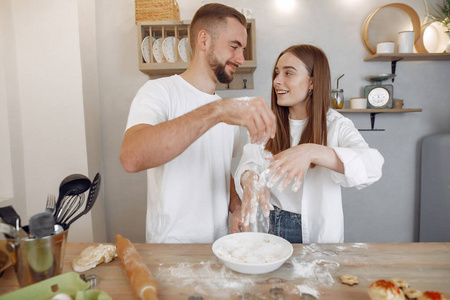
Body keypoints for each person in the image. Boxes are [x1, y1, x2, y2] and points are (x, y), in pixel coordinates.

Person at [120, 3, 276, 243]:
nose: (242, 58)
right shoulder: (159, 92)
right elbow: (131, 157)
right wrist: (217, 111)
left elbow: (219, 170)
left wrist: (236, 207)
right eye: (234, 47)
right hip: (170, 249)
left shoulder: (226, 110)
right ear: (204, 41)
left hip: (219, 245)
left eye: (243, 49)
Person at [234, 44, 384, 243]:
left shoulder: (336, 125)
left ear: (312, 82)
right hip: (270, 223)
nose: (277, 81)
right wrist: (249, 178)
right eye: (277, 73)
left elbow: (372, 166)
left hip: (314, 231)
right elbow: (249, 161)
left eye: (289, 73)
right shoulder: (267, 123)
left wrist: (312, 151)